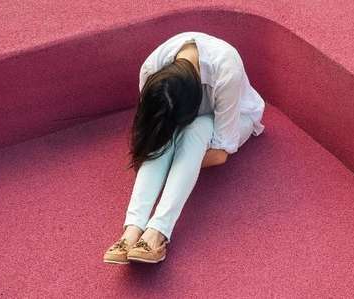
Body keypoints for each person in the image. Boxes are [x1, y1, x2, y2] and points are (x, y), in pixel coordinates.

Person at [103, 31, 266, 264]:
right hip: (190, 119)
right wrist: (163, 149)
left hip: (237, 118)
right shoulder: (152, 70)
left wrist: (175, 162)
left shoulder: (226, 69)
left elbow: (220, 154)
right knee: (161, 141)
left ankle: (157, 231)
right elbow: (152, 131)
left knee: (196, 128)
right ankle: (132, 230)